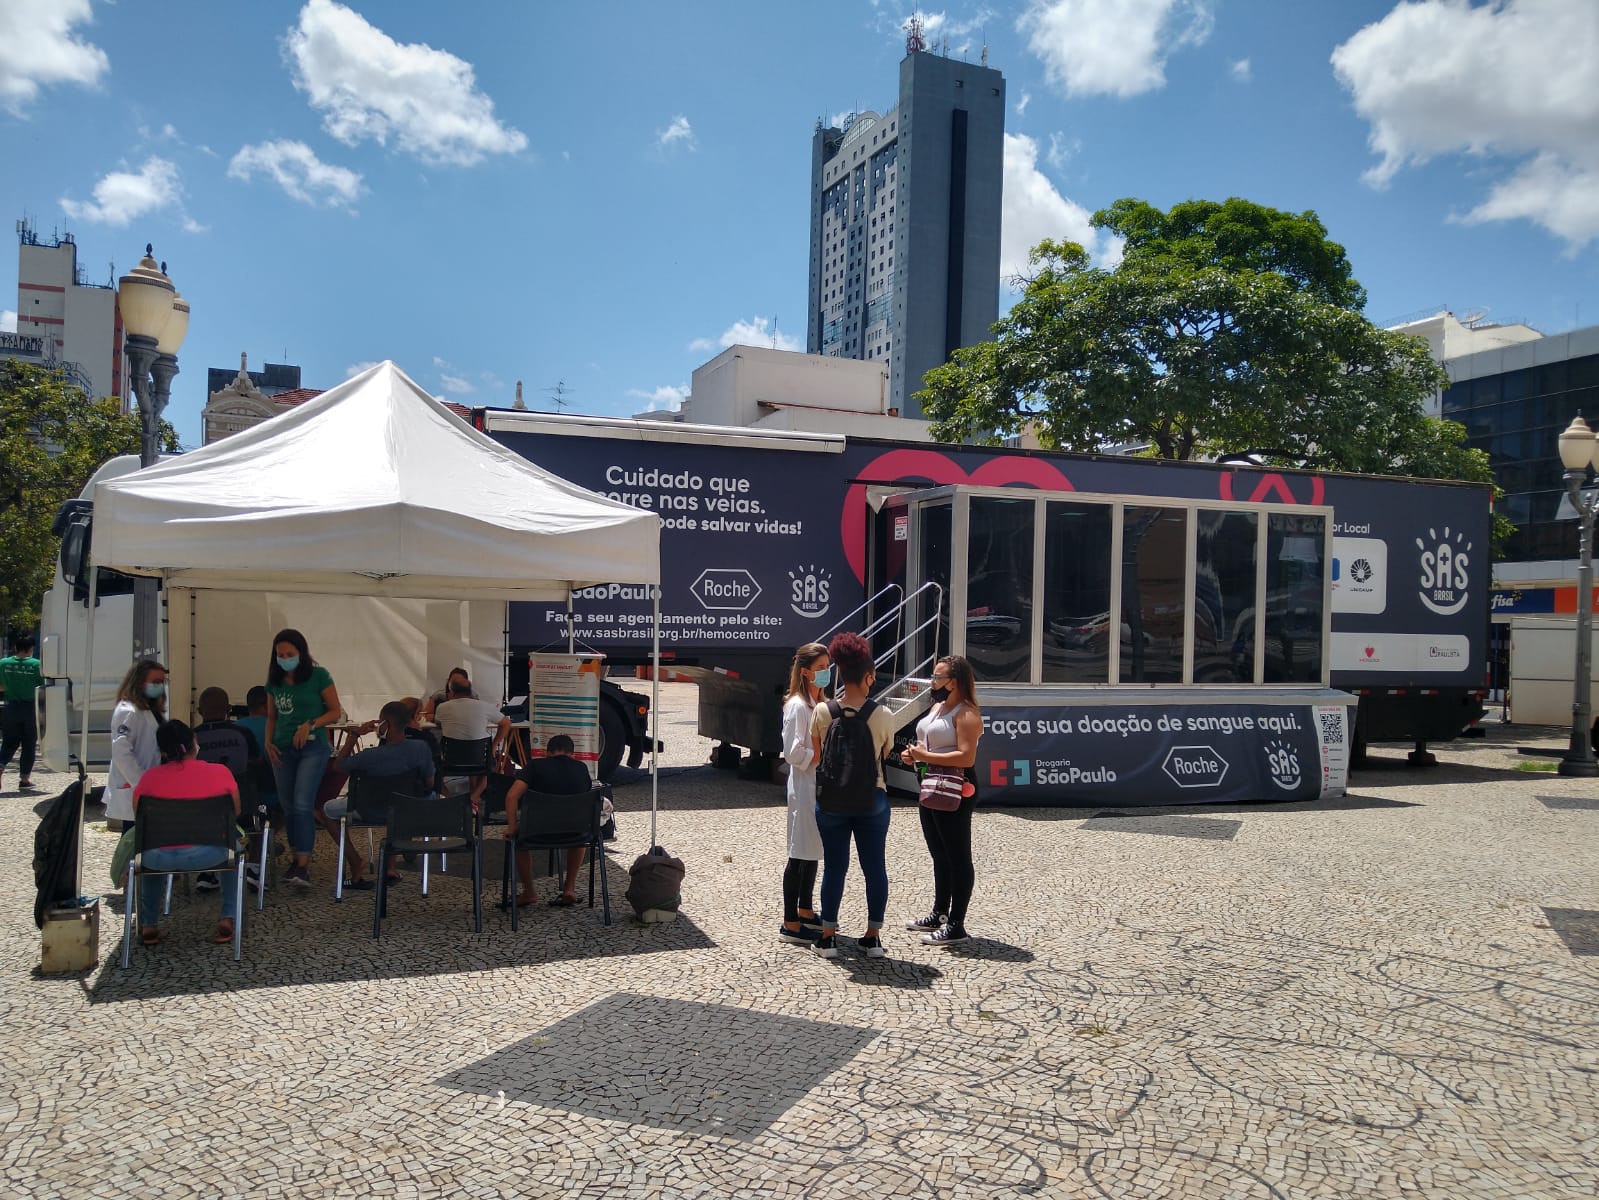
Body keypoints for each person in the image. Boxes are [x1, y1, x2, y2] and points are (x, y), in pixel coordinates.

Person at [808, 631, 896, 960]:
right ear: (869, 676)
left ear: (840, 674)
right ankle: (872, 937)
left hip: (832, 800)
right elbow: (884, 754)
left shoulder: (822, 711)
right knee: (875, 867)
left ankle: (828, 937)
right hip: (872, 799)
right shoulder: (882, 714)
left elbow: (818, 756)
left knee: (834, 867)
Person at [131, 720, 241, 947]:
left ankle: (148, 923)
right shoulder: (220, 772)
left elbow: (141, 820)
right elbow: (235, 811)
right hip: (211, 854)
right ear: (194, 742)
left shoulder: (148, 779)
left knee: (150, 845)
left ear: (162, 751)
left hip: (157, 858)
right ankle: (228, 916)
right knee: (234, 848)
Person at [902, 655, 984, 947]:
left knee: (957, 855)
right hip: (930, 782)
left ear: (955, 682)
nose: (933, 682)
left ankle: (957, 924)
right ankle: (940, 912)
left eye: (938, 678)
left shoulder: (967, 713)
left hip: (956, 785)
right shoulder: (937, 707)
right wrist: (914, 755)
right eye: (933, 677)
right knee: (939, 852)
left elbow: (966, 756)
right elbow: (929, 742)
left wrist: (926, 756)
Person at [326, 700, 437, 888]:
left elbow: (338, 766)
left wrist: (354, 735)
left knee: (327, 811)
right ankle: (390, 867)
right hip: (406, 810)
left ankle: (355, 861)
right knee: (402, 806)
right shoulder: (420, 748)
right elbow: (430, 783)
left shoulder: (368, 756)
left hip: (369, 809)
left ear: (387, 724)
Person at [264, 629, 341, 888]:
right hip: (282, 748)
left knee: (302, 803)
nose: (285, 659)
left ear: (301, 653)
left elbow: (335, 711)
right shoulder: (274, 681)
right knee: (287, 805)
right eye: (280, 655)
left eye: (290, 654)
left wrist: (311, 724)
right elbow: (272, 717)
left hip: (312, 746)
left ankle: (303, 863)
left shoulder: (319, 676)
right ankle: (296, 855)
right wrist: (268, 743)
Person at [503, 733, 594, 908]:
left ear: (547, 753)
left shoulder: (535, 766)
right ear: (572, 754)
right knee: (579, 830)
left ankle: (529, 892)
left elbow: (511, 796)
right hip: (574, 833)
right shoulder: (582, 768)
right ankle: (569, 888)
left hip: (537, 833)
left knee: (517, 841)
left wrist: (512, 826)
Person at [778, 642, 829, 944]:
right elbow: (791, 751)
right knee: (799, 852)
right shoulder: (797, 706)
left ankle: (806, 909)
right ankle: (790, 922)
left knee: (812, 851)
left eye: (827, 667)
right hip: (804, 786)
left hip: (816, 787)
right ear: (807, 672)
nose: (826, 672)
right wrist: (818, 752)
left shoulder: (818, 703)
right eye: (821, 668)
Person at [193, 687, 263, 894]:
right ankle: (253, 867)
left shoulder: (191, 737)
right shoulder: (242, 733)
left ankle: (207, 870)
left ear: (199, 711)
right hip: (242, 807)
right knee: (262, 816)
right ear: (229, 708)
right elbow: (257, 761)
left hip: (200, 810)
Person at [105, 659, 168, 832]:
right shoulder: (127, 711)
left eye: (162, 682)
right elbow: (121, 753)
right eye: (155, 682)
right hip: (136, 787)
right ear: (139, 683)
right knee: (134, 838)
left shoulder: (151, 710)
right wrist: (142, 782)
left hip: (151, 786)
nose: (160, 686)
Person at [434, 675, 510, 808]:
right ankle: (474, 797)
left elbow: (438, 723)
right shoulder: (485, 706)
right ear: (471, 692)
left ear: (452, 692)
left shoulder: (442, 707)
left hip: (451, 760)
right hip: (479, 760)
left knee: (432, 763)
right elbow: (506, 723)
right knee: (489, 764)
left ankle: (451, 798)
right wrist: (494, 745)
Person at [0, 633, 43, 791]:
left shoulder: (3, 663)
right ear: (31, 648)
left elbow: (1, 687)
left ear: (15, 647)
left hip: (10, 707)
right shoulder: (37, 665)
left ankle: (1, 765)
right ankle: (24, 779)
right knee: (29, 744)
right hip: (30, 708)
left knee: (8, 742)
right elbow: (43, 687)